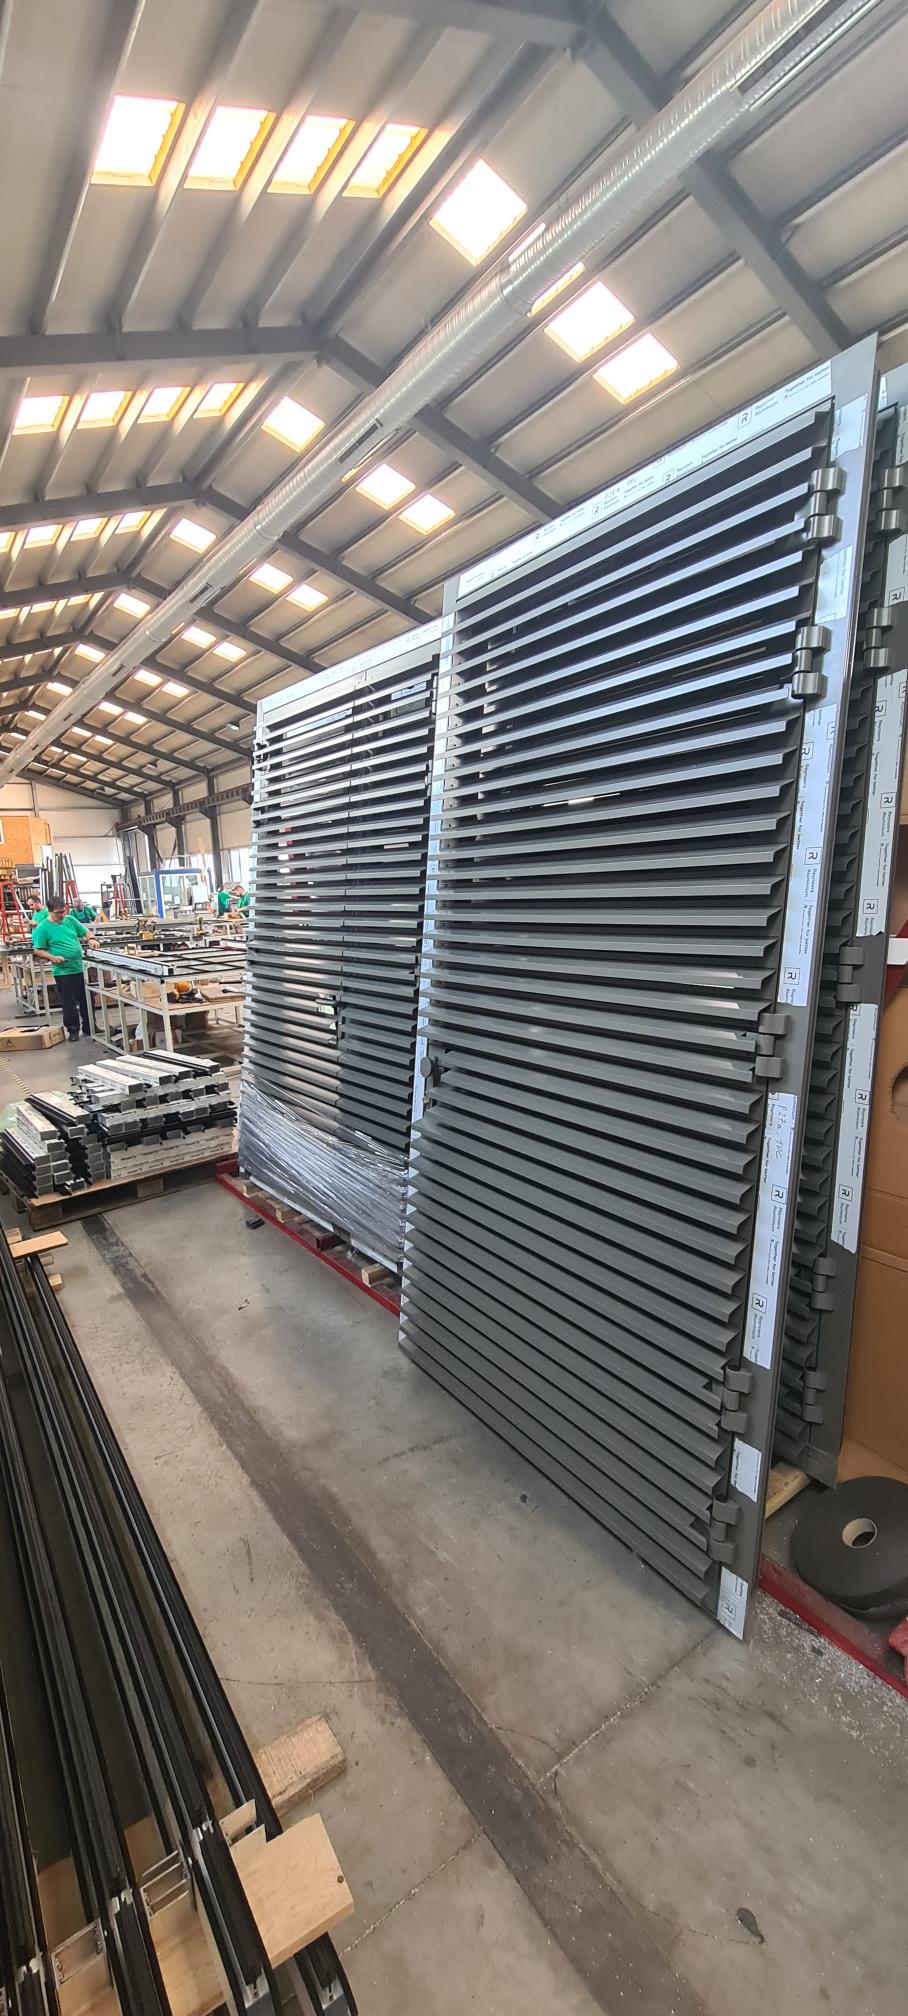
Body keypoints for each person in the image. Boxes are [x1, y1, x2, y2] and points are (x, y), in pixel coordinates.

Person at [32, 897, 95, 1040]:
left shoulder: (70, 920)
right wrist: (52, 957)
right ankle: (73, 1030)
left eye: (63, 911)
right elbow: (37, 950)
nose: (62, 915)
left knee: (87, 1000)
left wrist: (91, 939)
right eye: (58, 913)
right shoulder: (43, 928)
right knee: (69, 1002)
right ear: (50, 911)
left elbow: (86, 932)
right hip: (63, 971)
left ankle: (90, 1027)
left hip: (80, 967)